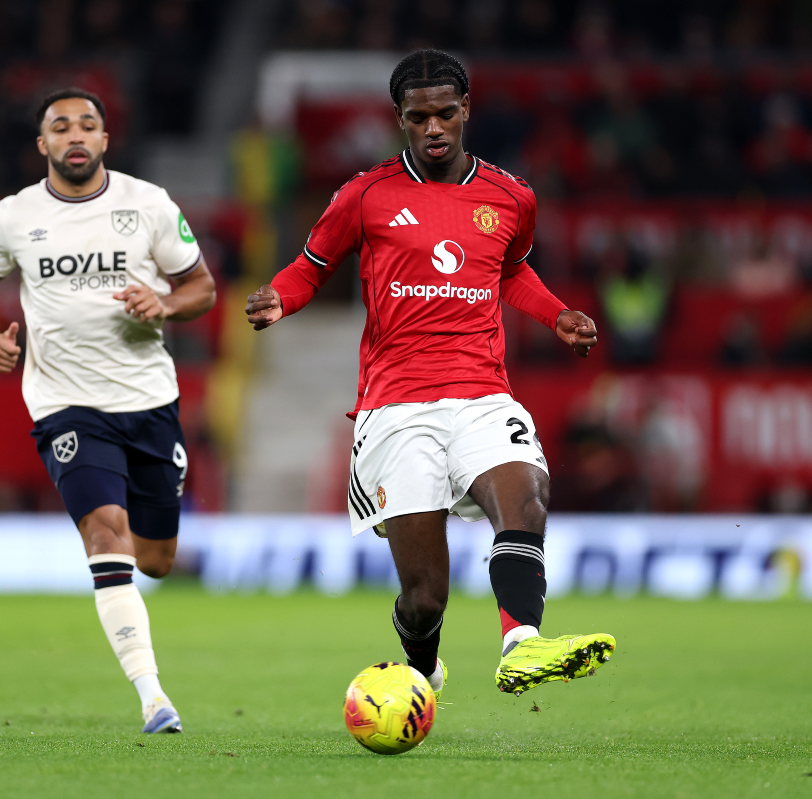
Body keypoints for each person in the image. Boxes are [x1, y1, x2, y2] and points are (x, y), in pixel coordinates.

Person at [246, 50, 615, 698]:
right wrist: (281, 296)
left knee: (526, 493)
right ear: (400, 119)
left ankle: (521, 644)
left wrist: (556, 315)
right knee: (424, 598)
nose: (434, 127)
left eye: (446, 112)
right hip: (395, 405)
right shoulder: (364, 195)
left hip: (482, 392)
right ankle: (422, 664)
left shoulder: (511, 196)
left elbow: (509, 270)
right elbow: (311, 265)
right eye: (419, 117)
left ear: (466, 108)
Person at [0, 87, 217, 733]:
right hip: (65, 404)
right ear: (42, 143)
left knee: (155, 558)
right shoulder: (12, 217)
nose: (75, 135)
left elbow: (202, 287)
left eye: (87, 125)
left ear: (104, 138)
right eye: (61, 126)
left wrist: (164, 303)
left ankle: (149, 668)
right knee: (104, 532)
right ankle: (153, 696)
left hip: (148, 401)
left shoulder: (147, 203)